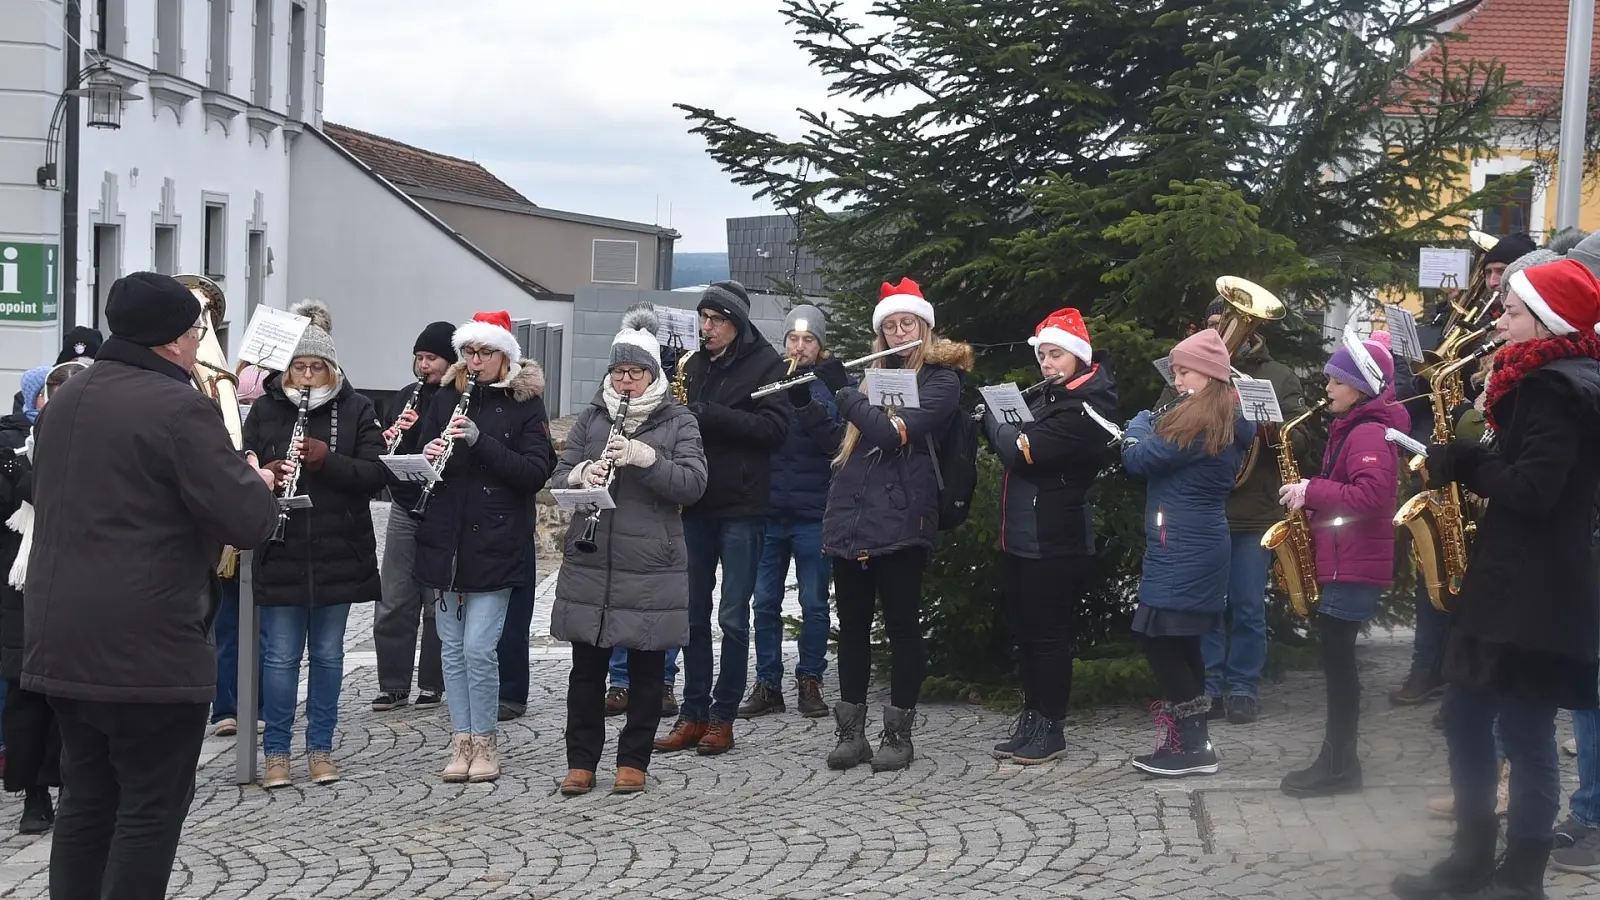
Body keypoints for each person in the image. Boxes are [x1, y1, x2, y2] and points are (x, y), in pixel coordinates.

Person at [23, 272, 279, 900]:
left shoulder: (68, 400)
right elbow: (246, 521)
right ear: (171, 341)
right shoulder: (178, 408)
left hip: (61, 638)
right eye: (196, 331)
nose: (199, 343)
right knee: (148, 809)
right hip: (147, 646)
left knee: (86, 801)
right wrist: (254, 481)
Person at [1392, 259, 1600, 899]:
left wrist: (1465, 461)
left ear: (1547, 320)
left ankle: (1520, 874)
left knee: (1524, 733)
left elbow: (1534, 490)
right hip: (1515, 584)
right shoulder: (1546, 380)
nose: (1498, 321)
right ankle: (1473, 857)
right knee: (1466, 718)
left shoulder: (1554, 390)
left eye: (1510, 311)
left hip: (1534, 592)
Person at [550, 307, 706, 795]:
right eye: (617, 372)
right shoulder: (593, 418)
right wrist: (581, 476)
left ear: (653, 373)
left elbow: (694, 484)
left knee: (644, 668)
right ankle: (581, 762)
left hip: (650, 563)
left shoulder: (679, 420)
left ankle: (632, 761)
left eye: (635, 372)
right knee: (587, 670)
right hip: (593, 561)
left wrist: (646, 459)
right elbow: (555, 479)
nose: (624, 381)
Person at [819, 278, 970, 773]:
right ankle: (851, 734)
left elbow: (890, 433)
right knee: (853, 629)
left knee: (903, 627)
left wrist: (843, 391)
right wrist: (807, 400)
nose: (899, 330)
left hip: (905, 516)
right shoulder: (872, 377)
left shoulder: (942, 380)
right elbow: (839, 443)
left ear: (923, 327)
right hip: (853, 517)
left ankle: (898, 735)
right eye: (890, 326)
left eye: (907, 323)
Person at [244, 301, 387, 788]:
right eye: (299, 366)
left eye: (316, 367)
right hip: (281, 546)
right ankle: (277, 753)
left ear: (332, 368)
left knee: (328, 656)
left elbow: (375, 475)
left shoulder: (357, 407)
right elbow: (243, 462)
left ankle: (321, 748)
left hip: (339, 547)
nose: (306, 375)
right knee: (280, 656)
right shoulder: (266, 407)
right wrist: (269, 470)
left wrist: (328, 460)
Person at [414, 311, 555, 783]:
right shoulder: (443, 398)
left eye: (484, 353)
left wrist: (479, 441)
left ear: (504, 357)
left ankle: (487, 741)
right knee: (451, 649)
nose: (474, 362)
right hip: (446, 538)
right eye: (468, 353)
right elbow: (414, 466)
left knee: (478, 648)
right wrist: (430, 455)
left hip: (495, 540)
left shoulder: (525, 404)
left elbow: (534, 473)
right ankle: (462, 739)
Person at [653, 281, 788, 757]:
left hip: (743, 506)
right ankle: (692, 713)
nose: (705, 328)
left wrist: (713, 415)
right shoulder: (694, 363)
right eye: (702, 318)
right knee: (691, 616)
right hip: (696, 503)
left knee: (732, 617)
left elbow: (775, 429)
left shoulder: (769, 365)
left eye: (714, 320)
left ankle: (722, 717)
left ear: (737, 323)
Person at [985, 308, 1118, 765]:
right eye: (1042, 354)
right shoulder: (1049, 397)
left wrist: (994, 422)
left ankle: (1052, 726)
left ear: (1078, 357)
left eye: (1055, 354)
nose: (1046, 363)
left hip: (1055, 537)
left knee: (1048, 637)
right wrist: (1007, 428)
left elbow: (1023, 453)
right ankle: (1032, 716)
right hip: (1023, 533)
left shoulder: (1086, 407)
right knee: (1026, 633)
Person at [1276, 331, 1406, 797]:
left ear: (1360, 387)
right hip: (1344, 560)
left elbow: (1372, 497)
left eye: (1336, 380)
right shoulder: (1354, 428)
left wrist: (1312, 490)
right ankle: (1337, 762)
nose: (1327, 388)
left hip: (1353, 565)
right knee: (1336, 665)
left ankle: (1339, 766)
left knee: (1339, 667)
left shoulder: (1368, 432)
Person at [1122, 328, 1255, 778]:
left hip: (1183, 545)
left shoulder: (1202, 421)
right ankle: (1192, 742)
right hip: (1188, 543)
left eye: (1184, 372)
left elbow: (1139, 460)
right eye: (1176, 371)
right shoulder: (1214, 416)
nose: (1177, 381)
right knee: (1179, 642)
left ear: (1210, 375)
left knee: (1160, 640)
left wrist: (1136, 427)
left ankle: (1192, 744)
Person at [1185, 298, 1304, 725]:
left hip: (1253, 510)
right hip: (1204, 508)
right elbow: (1166, 422)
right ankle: (1210, 686)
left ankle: (1242, 688)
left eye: (1232, 325)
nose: (1224, 334)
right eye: (1216, 324)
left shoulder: (1278, 377)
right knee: (1207, 605)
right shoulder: (1190, 370)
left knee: (1248, 604)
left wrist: (1271, 428)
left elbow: (1303, 440)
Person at [738, 304, 842, 720]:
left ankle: (810, 678)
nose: (800, 347)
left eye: (808, 340)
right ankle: (767, 682)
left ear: (820, 345)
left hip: (813, 511)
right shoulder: (769, 380)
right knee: (763, 601)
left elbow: (835, 442)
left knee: (815, 603)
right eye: (793, 340)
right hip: (768, 510)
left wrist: (806, 405)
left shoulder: (831, 383)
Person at [371, 321, 457, 712]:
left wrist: (422, 432)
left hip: (441, 509)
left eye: (432, 358)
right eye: (419, 358)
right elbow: (385, 457)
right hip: (406, 506)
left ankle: (432, 684)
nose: (424, 366)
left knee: (434, 602)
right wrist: (390, 437)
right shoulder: (407, 396)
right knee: (393, 598)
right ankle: (392, 682)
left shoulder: (459, 397)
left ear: (450, 361)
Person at [0, 366, 55, 834]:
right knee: (26, 696)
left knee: (78, 694)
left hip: (77, 586)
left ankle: (77, 785)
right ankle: (34, 794)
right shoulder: (9, 449)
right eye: (48, 393)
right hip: (18, 590)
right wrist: (23, 472)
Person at [211, 362, 273, 738]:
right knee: (227, 628)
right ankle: (225, 708)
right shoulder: (214, 421)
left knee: (263, 630)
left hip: (264, 535)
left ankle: (260, 704)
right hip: (226, 536)